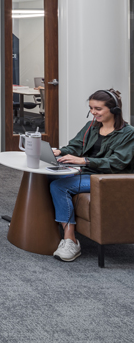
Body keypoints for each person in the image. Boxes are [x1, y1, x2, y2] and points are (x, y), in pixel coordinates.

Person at [50, 88, 134, 262]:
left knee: (59, 186)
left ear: (114, 110)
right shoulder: (91, 127)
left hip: (108, 179)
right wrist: (59, 152)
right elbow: (75, 147)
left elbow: (117, 162)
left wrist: (85, 161)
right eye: (91, 108)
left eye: (98, 109)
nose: (93, 112)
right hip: (87, 173)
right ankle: (36, 224)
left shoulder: (128, 133)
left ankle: (70, 240)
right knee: (46, 176)